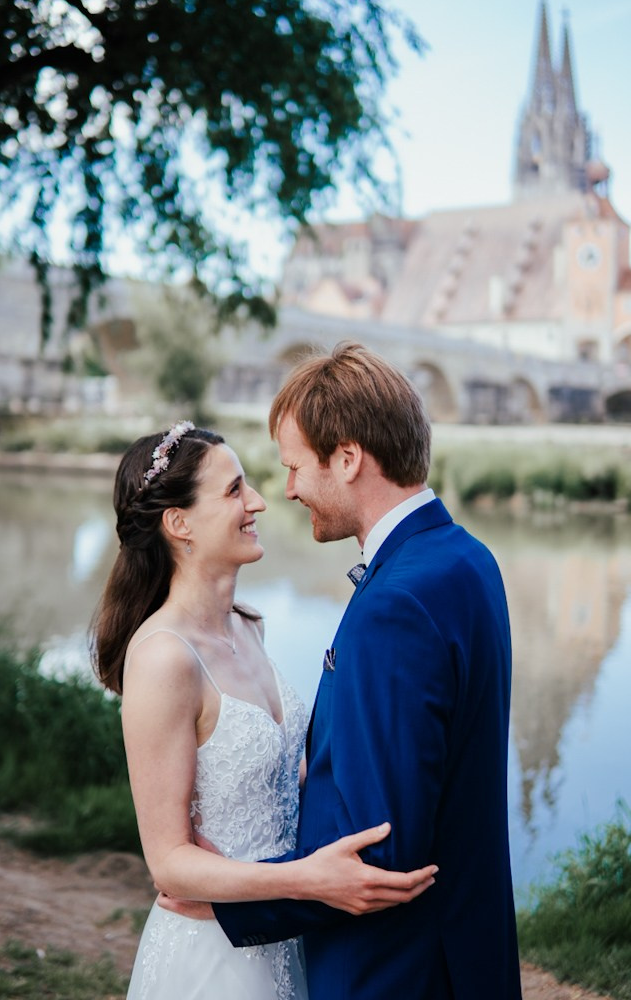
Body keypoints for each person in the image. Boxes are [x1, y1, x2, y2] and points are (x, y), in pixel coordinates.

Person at [203, 343, 523, 999]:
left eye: (295, 467)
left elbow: (377, 858)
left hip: (395, 973)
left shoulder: (395, 605)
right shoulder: (466, 559)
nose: (287, 489)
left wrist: (223, 900)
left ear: (347, 458)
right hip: (466, 954)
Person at [90, 419, 437, 1000]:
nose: (258, 502)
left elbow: (281, 776)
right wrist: (308, 880)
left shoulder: (249, 627)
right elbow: (168, 864)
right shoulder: (162, 659)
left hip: (286, 940)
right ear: (179, 524)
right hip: (210, 958)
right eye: (233, 491)